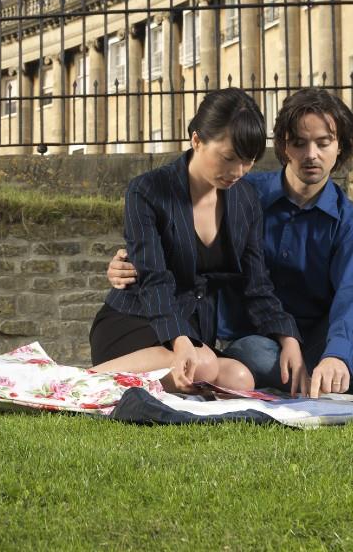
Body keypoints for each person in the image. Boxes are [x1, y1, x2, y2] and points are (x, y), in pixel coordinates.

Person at [109, 87, 353, 405]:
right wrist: (130, 262)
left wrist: (337, 354)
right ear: (283, 147)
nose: (312, 155)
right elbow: (183, 234)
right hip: (254, 344)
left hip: (320, 345)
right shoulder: (241, 193)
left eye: (324, 143)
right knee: (252, 357)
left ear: (339, 148)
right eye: (300, 143)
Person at [88, 88, 303, 393]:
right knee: (204, 366)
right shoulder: (148, 191)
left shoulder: (245, 201)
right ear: (196, 140)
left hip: (193, 330)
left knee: (239, 378)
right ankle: (78, 381)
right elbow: (153, 278)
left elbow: (257, 284)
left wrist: (288, 338)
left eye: (249, 161)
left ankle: (136, 385)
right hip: (136, 320)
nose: (238, 172)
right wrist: (178, 340)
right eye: (228, 158)